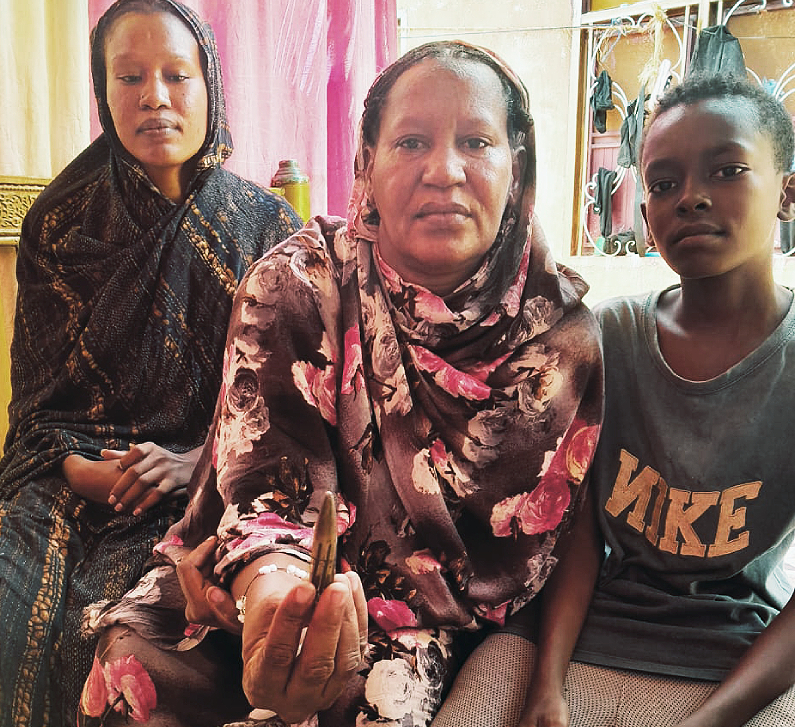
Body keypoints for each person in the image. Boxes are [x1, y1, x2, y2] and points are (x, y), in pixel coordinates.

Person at [76, 40, 604, 727]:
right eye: (410, 141)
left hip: (412, 616)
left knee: (368, 702)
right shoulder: (296, 282)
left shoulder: (562, 342)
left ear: (517, 163)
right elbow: (263, 478)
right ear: (366, 165)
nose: (443, 171)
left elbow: (547, 538)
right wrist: (272, 595)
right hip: (253, 571)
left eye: (476, 141)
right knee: (135, 664)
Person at [432, 74, 795, 727]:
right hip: (573, 638)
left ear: (786, 192)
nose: (690, 198)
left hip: (734, 657)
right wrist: (547, 690)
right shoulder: (609, 335)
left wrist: (709, 718)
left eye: (727, 169)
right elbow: (578, 532)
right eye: (661, 183)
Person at [0, 1, 302, 724]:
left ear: (210, 86)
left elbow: (293, 410)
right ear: (104, 93)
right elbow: (38, 408)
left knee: (131, 659)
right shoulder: (59, 222)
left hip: (216, 493)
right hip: (69, 487)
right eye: (129, 77)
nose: (154, 97)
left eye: (176, 74)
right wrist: (85, 469)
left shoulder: (268, 230)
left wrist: (194, 459)